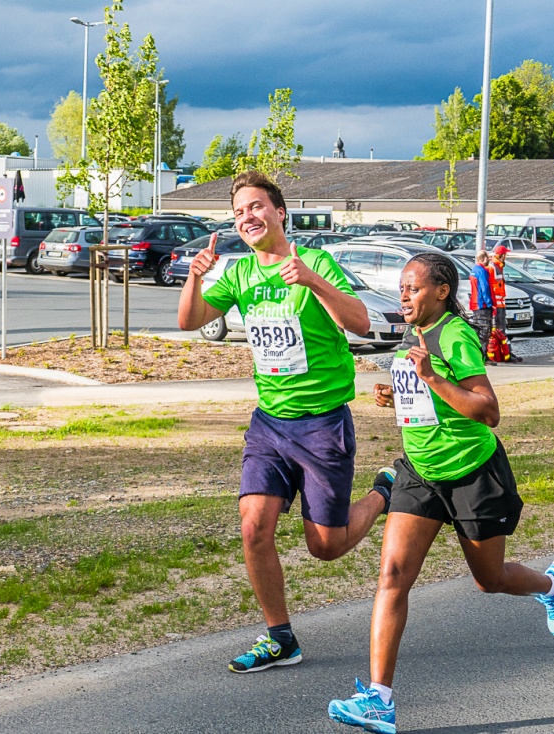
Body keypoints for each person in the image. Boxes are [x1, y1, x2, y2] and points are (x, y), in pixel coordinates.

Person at [327, 253, 554, 734]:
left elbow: (487, 410)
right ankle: (379, 700)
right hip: (420, 473)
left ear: (441, 291)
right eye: (401, 287)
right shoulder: (411, 334)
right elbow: (426, 399)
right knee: (392, 576)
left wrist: (432, 378)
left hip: (472, 475)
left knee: (490, 579)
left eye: (413, 287)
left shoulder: (455, 334)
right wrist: (398, 393)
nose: (404, 294)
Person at [178, 170, 391, 674]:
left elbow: (360, 324)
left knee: (325, 546)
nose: (246, 217)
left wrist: (312, 281)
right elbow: (189, 322)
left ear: (278, 212)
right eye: (238, 212)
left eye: (255, 207)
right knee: (254, 527)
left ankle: (384, 491)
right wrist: (194, 275)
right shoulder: (236, 272)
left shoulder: (315, 261)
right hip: (270, 423)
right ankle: (280, 638)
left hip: (322, 424)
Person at [489, 245, 522, 363]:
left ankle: (506, 352)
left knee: (502, 330)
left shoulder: (498, 266)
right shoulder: (493, 267)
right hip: (496, 305)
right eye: (505, 254)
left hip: (500, 303)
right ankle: (501, 353)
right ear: (501, 255)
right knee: (498, 330)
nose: (506, 257)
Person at [468, 251, 494, 363]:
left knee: (477, 331)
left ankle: (477, 356)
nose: (489, 259)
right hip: (482, 305)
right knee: (484, 331)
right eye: (487, 257)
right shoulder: (482, 271)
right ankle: (483, 357)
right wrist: (489, 303)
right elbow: (485, 288)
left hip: (475, 304)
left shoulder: (474, 270)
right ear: (483, 258)